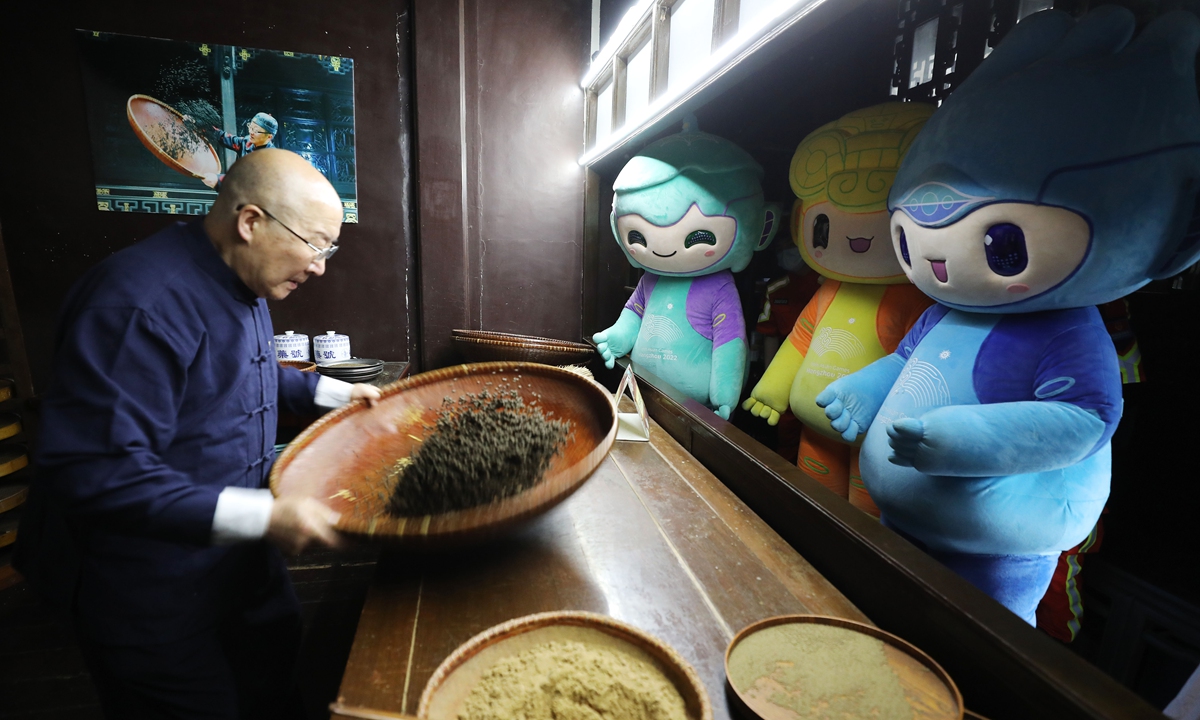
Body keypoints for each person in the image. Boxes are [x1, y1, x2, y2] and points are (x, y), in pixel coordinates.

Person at [14, 148, 381, 719]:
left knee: (278, 690)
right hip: (150, 591)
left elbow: (242, 374)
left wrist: (331, 394)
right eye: (313, 243)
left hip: (237, 566)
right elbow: (94, 471)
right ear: (250, 221)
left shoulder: (241, 276)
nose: (320, 266)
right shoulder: (139, 305)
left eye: (327, 247)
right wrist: (267, 517)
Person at [201, 112, 278, 189]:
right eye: (251, 127)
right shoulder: (246, 142)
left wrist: (219, 180)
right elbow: (224, 137)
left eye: (256, 131)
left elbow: (249, 181)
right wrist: (202, 126)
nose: (251, 132)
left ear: (269, 137)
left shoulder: (271, 159)